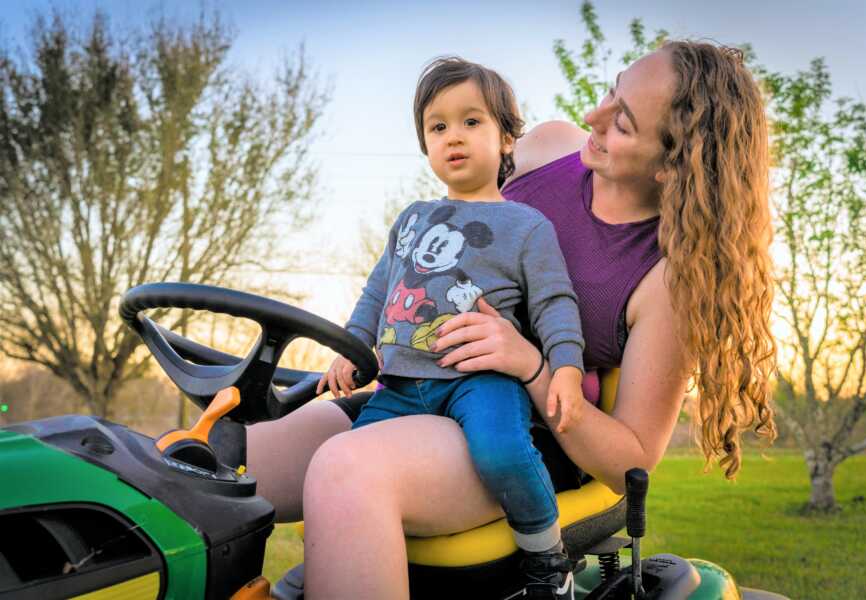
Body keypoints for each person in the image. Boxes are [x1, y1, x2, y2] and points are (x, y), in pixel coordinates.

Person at [247, 40, 776, 600]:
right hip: (416, 388)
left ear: (675, 163)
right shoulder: (547, 147)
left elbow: (630, 465)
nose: (593, 118)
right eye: (610, 92)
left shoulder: (667, 279)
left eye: (622, 122)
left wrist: (529, 365)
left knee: (344, 471)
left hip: (526, 430)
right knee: (215, 461)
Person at [314, 56, 586, 598]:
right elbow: (377, 291)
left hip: (481, 378)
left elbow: (556, 302)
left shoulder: (527, 226)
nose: (453, 137)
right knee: (343, 480)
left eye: (471, 121)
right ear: (425, 144)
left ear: (507, 138)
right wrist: (350, 346)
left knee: (503, 452)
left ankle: (548, 559)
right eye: (438, 127)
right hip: (401, 384)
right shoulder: (412, 218)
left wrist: (567, 369)